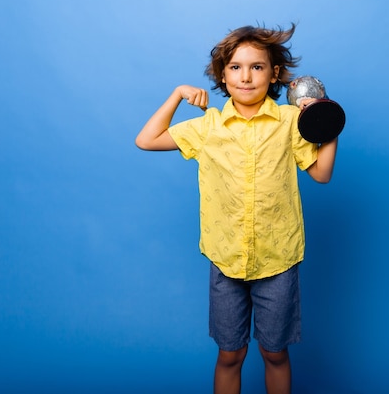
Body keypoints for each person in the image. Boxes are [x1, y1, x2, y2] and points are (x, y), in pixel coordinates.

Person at [135, 24, 338, 394]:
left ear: (274, 74)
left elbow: (322, 174)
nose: (246, 76)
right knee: (230, 355)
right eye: (235, 67)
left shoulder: (291, 122)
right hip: (225, 257)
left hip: (278, 259)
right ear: (222, 75)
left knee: (275, 354)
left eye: (257, 67)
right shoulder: (208, 126)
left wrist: (326, 119)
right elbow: (146, 139)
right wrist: (178, 94)